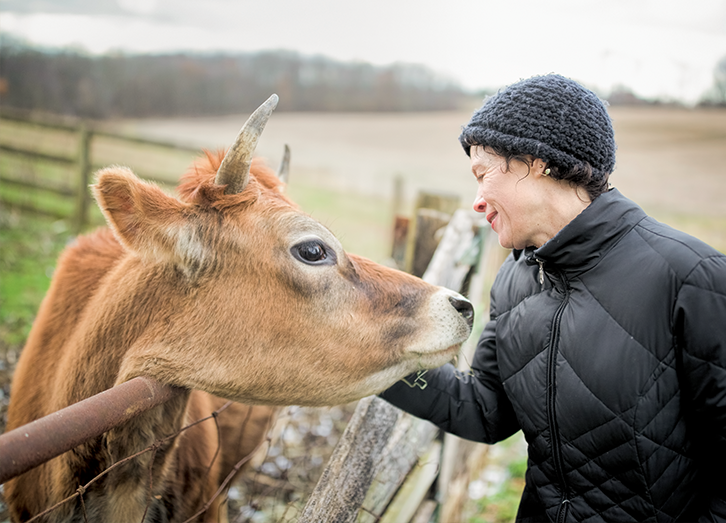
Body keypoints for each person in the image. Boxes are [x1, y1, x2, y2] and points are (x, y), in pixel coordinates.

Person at [379, 74, 726, 522]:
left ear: (536, 162)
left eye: (483, 175)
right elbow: (483, 411)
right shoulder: (513, 280)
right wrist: (368, 351)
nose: (477, 201)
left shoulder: (692, 279)